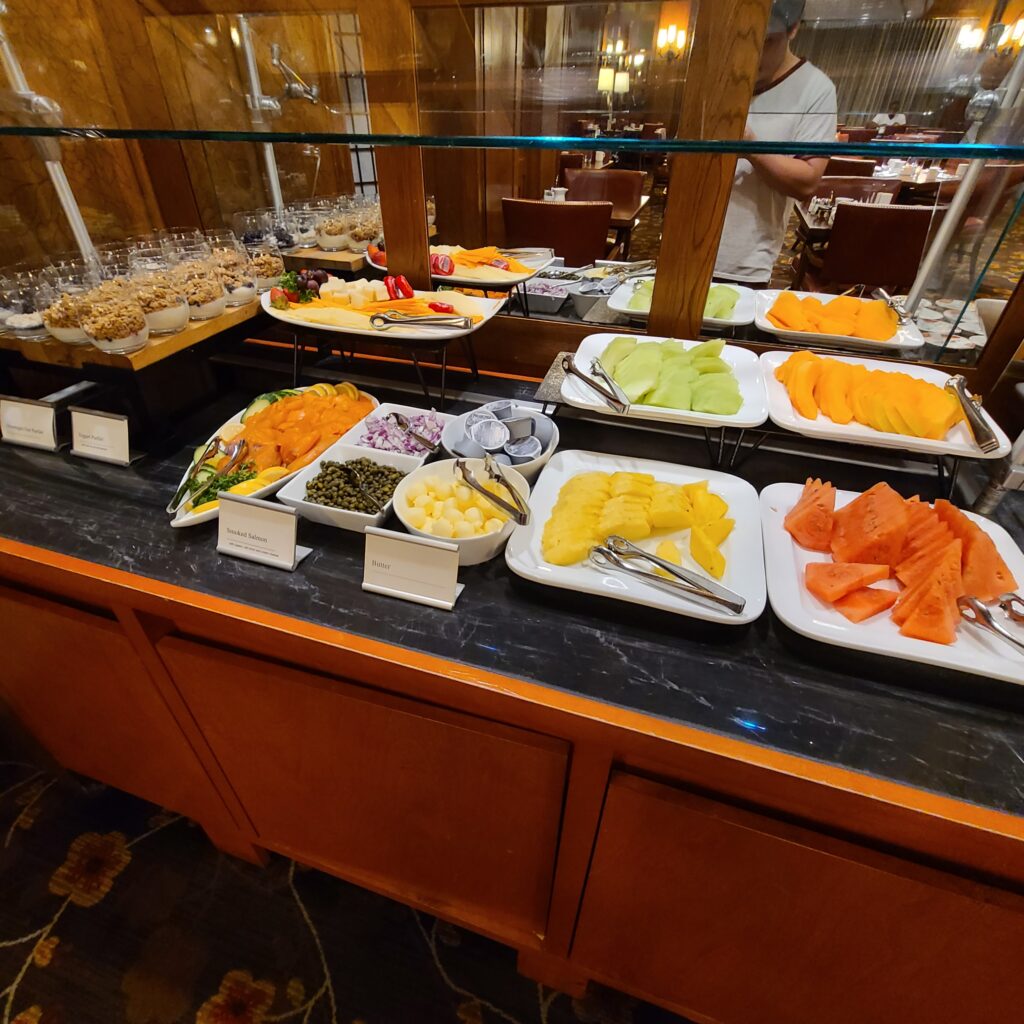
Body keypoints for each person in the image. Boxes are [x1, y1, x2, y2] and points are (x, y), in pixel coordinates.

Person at [715, 0, 837, 286]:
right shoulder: (719, 76)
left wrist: (749, 145)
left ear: (793, 29)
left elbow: (807, 181)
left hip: (746, 262)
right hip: (685, 247)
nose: (753, 54)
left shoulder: (815, 89)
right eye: (744, 40)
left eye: (767, 41)